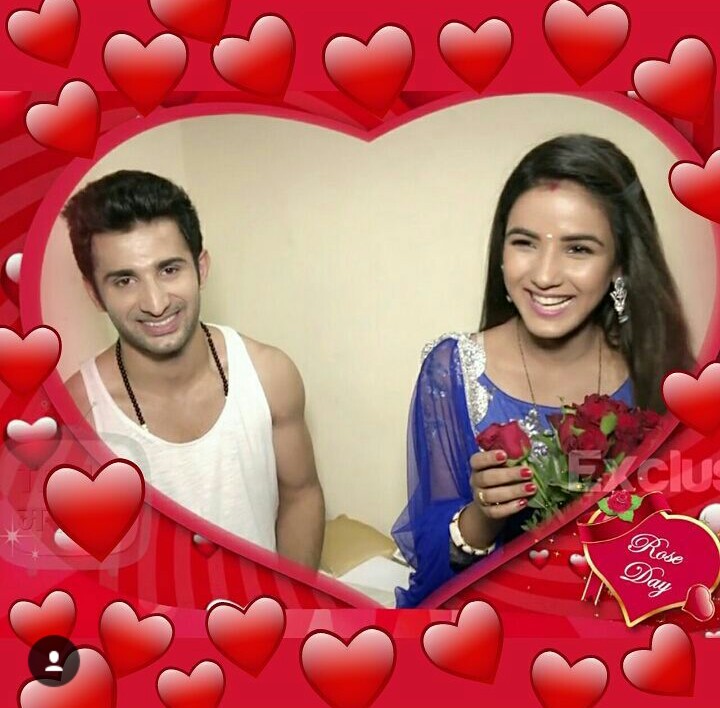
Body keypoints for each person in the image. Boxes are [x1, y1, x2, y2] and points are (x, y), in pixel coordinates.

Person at [392, 134, 693, 607]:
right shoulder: (452, 369)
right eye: (525, 243)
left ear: (619, 265)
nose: (545, 275)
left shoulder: (666, 374)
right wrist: (483, 515)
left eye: (579, 249)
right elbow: (431, 570)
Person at [61, 170, 325, 569]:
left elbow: (300, 495)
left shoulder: (270, 375)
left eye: (169, 270)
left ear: (200, 268)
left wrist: (290, 599)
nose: (155, 303)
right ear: (94, 293)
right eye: (125, 280)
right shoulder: (75, 416)